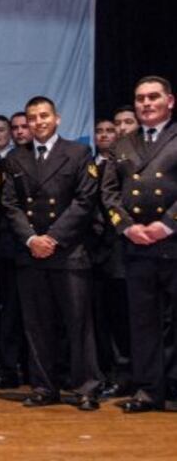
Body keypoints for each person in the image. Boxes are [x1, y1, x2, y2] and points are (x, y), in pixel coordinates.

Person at [2, 96, 102, 411]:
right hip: (31, 254)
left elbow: (85, 201)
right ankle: (44, 386)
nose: (38, 122)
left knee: (78, 324)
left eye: (44, 116)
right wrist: (32, 239)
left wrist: (53, 238)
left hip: (68, 252)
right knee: (37, 324)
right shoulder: (15, 158)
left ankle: (86, 387)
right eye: (32, 118)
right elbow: (10, 204)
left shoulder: (77, 152)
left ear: (56, 118)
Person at [101, 75, 176, 413]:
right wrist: (127, 228)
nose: (146, 103)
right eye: (140, 98)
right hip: (136, 246)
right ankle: (149, 389)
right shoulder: (123, 144)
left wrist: (167, 224)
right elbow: (109, 194)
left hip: (173, 243)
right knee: (143, 322)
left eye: (153, 97)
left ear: (169, 101)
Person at [0, 115, 24, 390]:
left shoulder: (19, 162)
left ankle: (10, 368)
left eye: (1, 130)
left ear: (9, 134)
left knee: (11, 311)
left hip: (12, 248)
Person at [90, 117, 130, 397]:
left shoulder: (126, 166)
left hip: (119, 250)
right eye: (100, 131)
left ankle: (125, 374)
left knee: (121, 318)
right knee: (96, 319)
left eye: (110, 130)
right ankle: (102, 372)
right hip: (88, 253)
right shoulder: (88, 164)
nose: (104, 135)